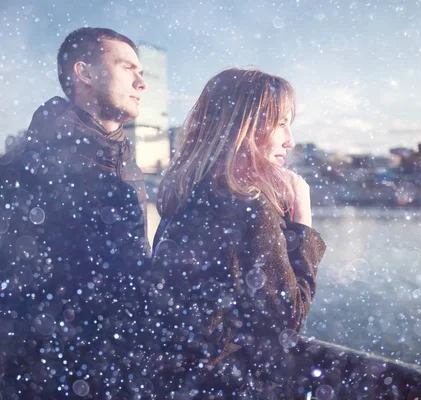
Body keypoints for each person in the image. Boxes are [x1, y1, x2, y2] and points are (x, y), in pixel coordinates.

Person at [0, 27, 150, 398]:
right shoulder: (28, 165)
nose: (141, 82)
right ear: (84, 73)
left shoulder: (128, 167)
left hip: (122, 373)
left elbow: (133, 274)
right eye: (128, 68)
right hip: (54, 376)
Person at [136, 68, 326, 398]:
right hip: (230, 385)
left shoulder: (185, 195)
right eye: (280, 122)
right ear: (246, 129)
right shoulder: (248, 202)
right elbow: (287, 319)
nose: (289, 139)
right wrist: (303, 222)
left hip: (177, 383)